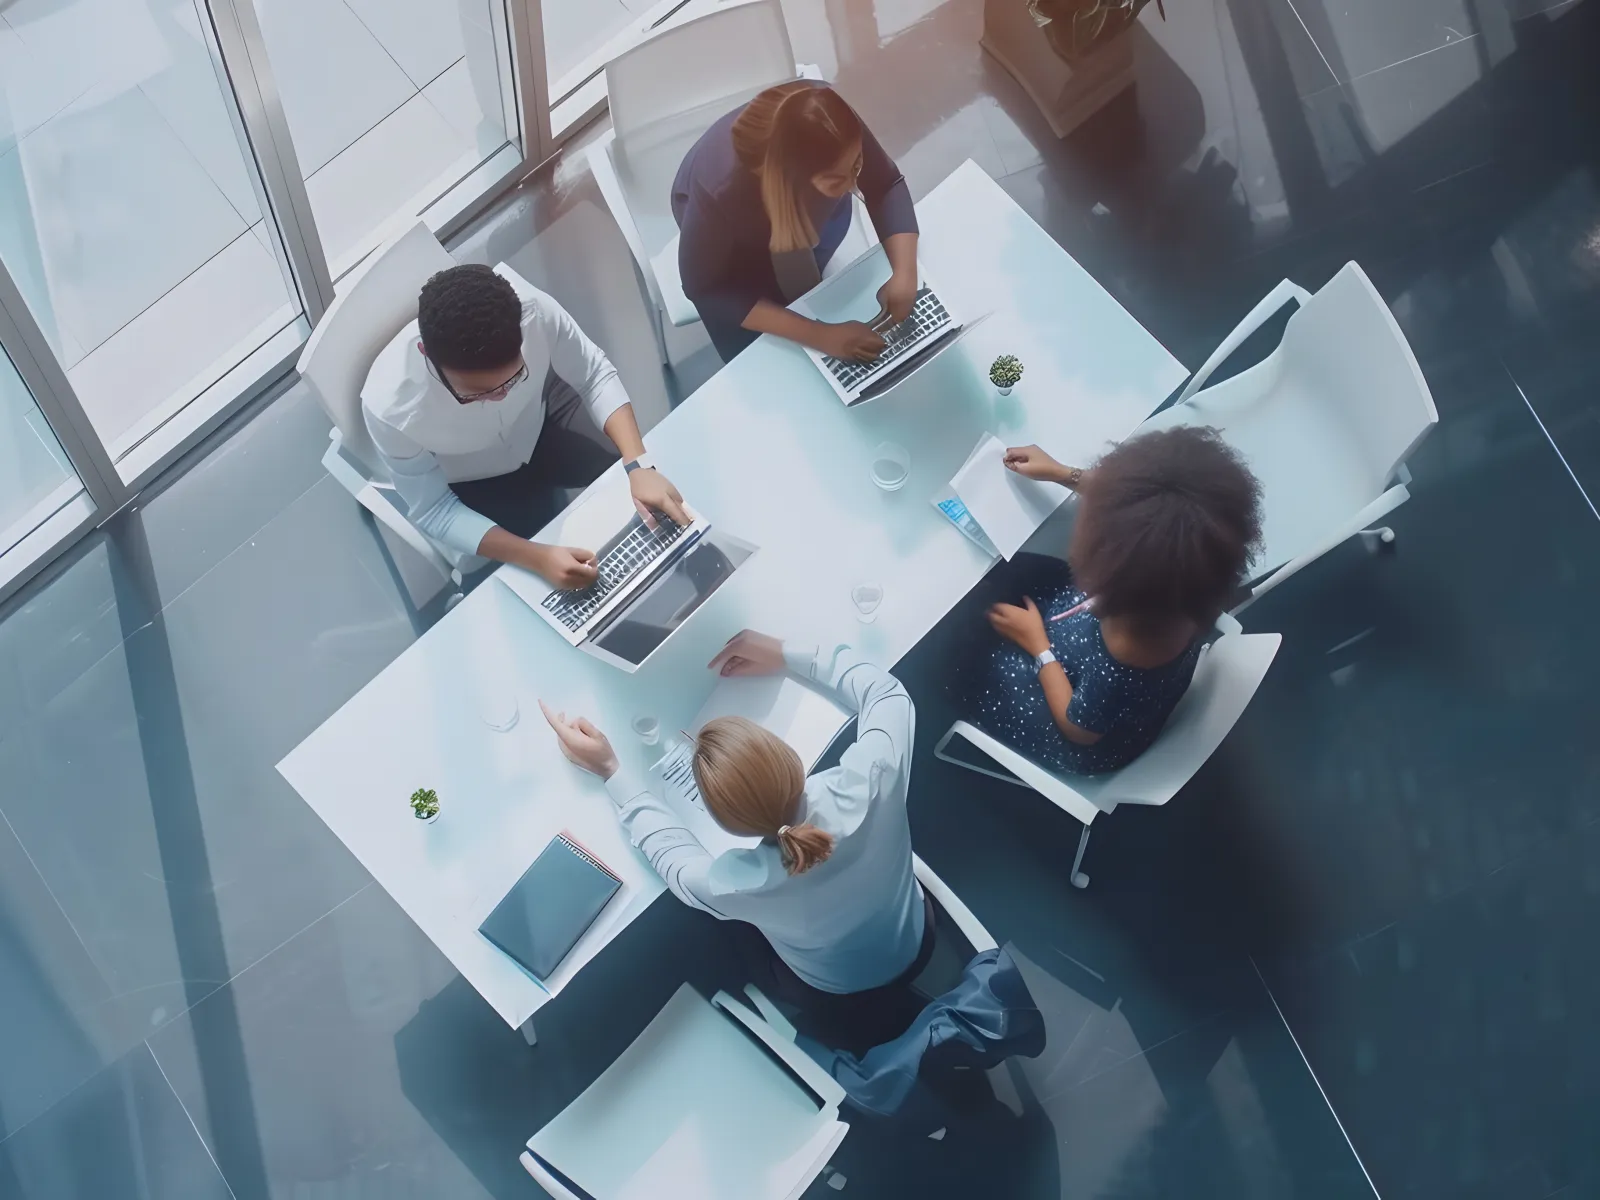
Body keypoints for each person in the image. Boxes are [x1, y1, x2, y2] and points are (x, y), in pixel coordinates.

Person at [540, 630, 931, 1036]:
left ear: (724, 822)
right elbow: (886, 694)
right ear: (788, 757)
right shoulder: (875, 776)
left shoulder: (737, 886)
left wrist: (610, 770)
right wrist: (786, 652)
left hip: (834, 993)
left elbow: (674, 862)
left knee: (716, 930)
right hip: (917, 940)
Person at [361, 263, 687, 588]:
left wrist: (638, 463)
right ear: (425, 354)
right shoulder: (389, 406)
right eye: (477, 393)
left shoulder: (533, 310)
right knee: (538, 572)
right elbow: (434, 509)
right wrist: (537, 557)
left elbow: (593, 375)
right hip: (479, 479)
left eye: (514, 378)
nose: (501, 397)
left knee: (641, 487)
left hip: (543, 416)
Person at [961, 426, 1263, 775]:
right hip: (1094, 655)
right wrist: (1063, 473)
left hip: (1077, 720)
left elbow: (1078, 729)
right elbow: (1154, 509)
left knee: (976, 657)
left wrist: (1039, 648)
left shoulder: (1129, 653)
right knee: (1027, 579)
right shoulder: (1196, 571)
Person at [672, 80, 920, 363]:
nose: (854, 186)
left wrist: (905, 273)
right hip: (737, 258)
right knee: (773, 361)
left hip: (795, 210)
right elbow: (706, 289)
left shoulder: (830, 119)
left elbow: (885, 184)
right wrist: (819, 335)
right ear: (794, 186)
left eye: (856, 165)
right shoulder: (718, 193)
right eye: (837, 181)